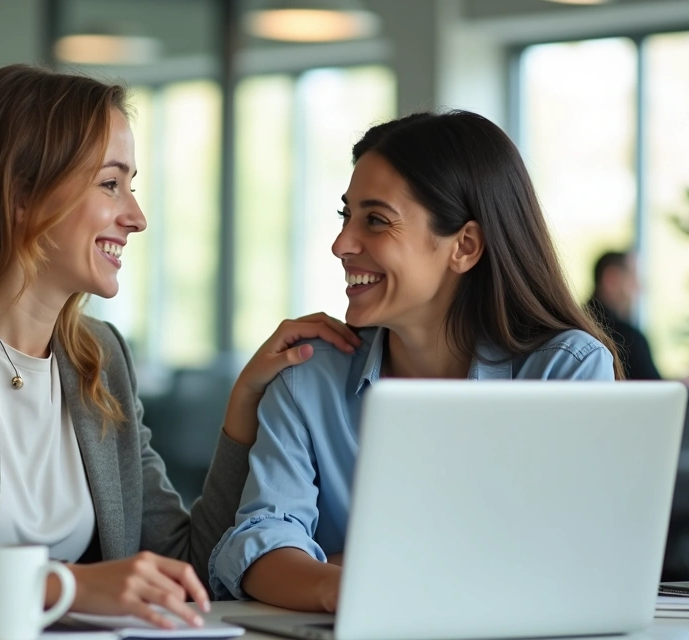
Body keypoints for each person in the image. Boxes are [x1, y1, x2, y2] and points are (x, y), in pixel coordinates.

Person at [0, 65, 361, 624]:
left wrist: (243, 408)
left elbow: (186, 568)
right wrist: (67, 586)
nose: (136, 217)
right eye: (110, 184)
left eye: (131, 186)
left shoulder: (100, 360)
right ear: (20, 194)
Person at [207, 110, 624, 612]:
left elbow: (567, 561)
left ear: (464, 246)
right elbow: (258, 546)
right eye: (346, 215)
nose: (341, 244)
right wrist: (347, 587)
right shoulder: (308, 377)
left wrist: (344, 566)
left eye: (375, 220)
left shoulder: (566, 371)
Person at [586, 251, 661, 381]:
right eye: (633, 278)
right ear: (611, 278)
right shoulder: (629, 339)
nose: (639, 287)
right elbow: (656, 391)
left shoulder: (570, 324)